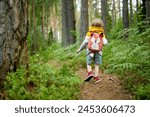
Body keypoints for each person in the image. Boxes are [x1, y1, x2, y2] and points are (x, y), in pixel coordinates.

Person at [76, 18, 108, 83]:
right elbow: (105, 43)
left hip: (90, 51)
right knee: (97, 64)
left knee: (89, 63)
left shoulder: (89, 33)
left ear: (92, 25)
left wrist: (79, 49)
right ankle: (96, 77)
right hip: (99, 52)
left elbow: (85, 43)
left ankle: (90, 73)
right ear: (101, 25)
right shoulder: (102, 34)